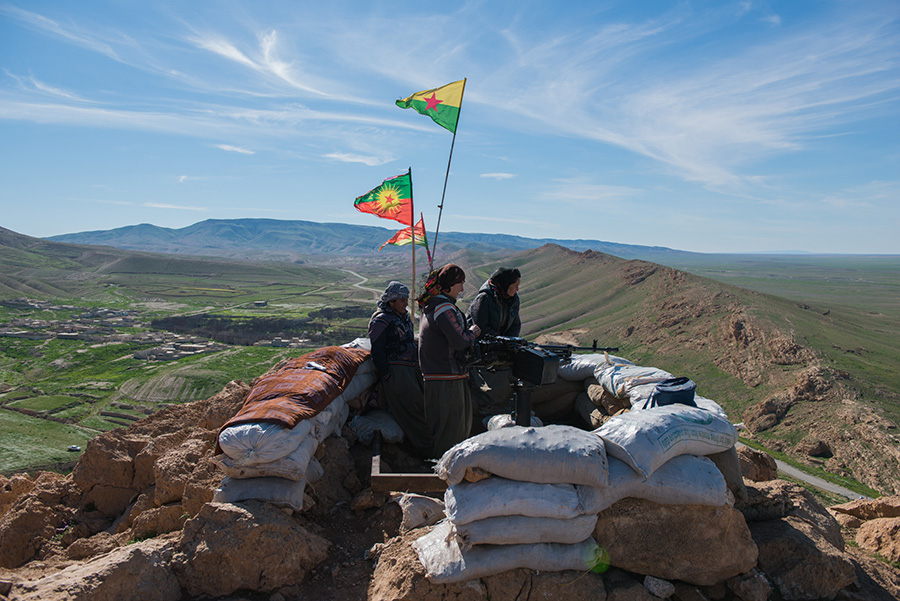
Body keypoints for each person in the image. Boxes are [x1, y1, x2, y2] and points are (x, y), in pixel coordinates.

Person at [417, 264, 481, 458]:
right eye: (460, 283)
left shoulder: (431, 306)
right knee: (453, 428)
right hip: (448, 376)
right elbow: (459, 341)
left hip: (436, 374)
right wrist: (473, 333)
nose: (462, 289)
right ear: (450, 284)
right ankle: (447, 468)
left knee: (441, 426)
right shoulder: (444, 308)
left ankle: (439, 464)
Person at [367, 281, 429, 455]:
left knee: (422, 403)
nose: (405, 303)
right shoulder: (381, 321)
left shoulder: (404, 317)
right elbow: (377, 351)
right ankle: (422, 447)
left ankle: (427, 443)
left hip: (412, 368)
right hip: (397, 372)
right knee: (411, 408)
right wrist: (387, 375)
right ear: (391, 301)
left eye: (406, 300)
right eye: (402, 300)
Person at [466, 267, 522, 418]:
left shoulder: (513, 299)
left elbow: (515, 324)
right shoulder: (484, 299)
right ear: (505, 284)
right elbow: (480, 327)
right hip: (482, 345)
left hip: (501, 343)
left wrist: (511, 341)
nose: (517, 289)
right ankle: (489, 404)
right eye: (515, 286)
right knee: (493, 374)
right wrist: (500, 341)